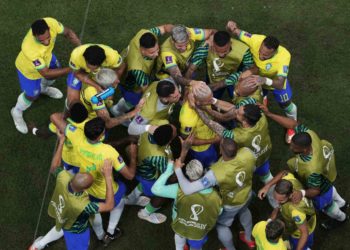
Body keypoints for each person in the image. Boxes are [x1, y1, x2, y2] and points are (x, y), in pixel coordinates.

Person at [258, 103, 348, 230]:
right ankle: (343, 203)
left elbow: (315, 191)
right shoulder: (309, 134)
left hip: (320, 187)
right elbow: (294, 125)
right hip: (325, 171)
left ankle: (341, 218)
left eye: (294, 146)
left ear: (304, 149)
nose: (290, 146)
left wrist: (301, 192)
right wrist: (269, 114)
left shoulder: (311, 169)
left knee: (327, 206)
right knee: (330, 188)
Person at [50, 115, 138, 246]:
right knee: (119, 204)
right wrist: (133, 155)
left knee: (94, 215)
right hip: (106, 191)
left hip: (85, 189)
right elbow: (130, 175)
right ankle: (111, 231)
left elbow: (54, 117)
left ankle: (102, 235)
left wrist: (63, 137)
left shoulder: (76, 136)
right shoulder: (109, 152)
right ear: (101, 136)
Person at [29, 129, 115, 250]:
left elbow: (54, 167)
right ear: (86, 188)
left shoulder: (64, 177)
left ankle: (37, 246)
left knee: (62, 224)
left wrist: (61, 141)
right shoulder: (84, 205)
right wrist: (108, 177)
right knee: (71, 233)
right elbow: (109, 205)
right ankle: (102, 236)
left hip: (62, 210)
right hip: (77, 229)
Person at [175, 138, 257, 250]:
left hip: (230, 204)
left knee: (222, 226)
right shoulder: (247, 152)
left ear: (220, 151)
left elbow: (188, 189)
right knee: (244, 211)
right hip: (247, 194)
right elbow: (253, 167)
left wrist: (178, 170)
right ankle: (248, 238)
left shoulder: (214, 174)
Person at [226, 20, 297, 143]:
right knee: (255, 102)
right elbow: (237, 31)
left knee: (286, 105)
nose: (260, 56)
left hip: (274, 83)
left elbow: (280, 83)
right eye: (260, 51)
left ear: (274, 52)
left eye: (265, 55)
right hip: (257, 79)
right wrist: (231, 27)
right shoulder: (255, 39)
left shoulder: (284, 56)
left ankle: (291, 128)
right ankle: (263, 98)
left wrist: (264, 80)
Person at [195, 102, 276, 207]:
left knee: (243, 181)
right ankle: (274, 201)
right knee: (266, 177)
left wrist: (198, 109)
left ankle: (249, 196)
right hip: (264, 154)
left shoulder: (236, 135)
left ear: (245, 121)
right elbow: (233, 108)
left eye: (238, 113)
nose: (236, 111)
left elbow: (210, 123)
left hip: (249, 162)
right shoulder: (261, 118)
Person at [11, 17, 80, 134]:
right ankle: (16, 111)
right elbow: (45, 73)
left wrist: (81, 48)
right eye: (41, 41)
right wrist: (72, 69)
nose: (47, 42)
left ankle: (43, 88)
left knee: (56, 72)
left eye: (48, 38)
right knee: (32, 96)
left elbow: (68, 32)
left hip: (46, 59)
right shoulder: (29, 48)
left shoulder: (51, 23)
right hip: (28, 70)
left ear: (49, 28)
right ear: (34, 36)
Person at [152, 135, 222, 250]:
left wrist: (170, 168)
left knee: (179, 242)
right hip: (199, 229)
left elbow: (155, 189)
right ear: (203, 173)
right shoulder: (215, 195)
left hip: (180, 224)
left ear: (187, 173)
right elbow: (219, 211)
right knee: (196, 247)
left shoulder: (178, 189)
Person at [111, 24, 174, 118]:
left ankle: (119, 107)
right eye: (152, 52)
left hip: (125, 65)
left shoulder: (144, 33)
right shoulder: (138, 70)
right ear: (142, 50)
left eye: (157, 49)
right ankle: (117, 110)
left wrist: (178, 30)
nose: (157, 54)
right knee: (134, 99)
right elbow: (147, 90)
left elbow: (165, 27)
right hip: (130, 84)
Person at [125, 120, 178, 224]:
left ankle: (131, 198)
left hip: (139, 164)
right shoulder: (159, 157)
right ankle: (145, 213)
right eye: (174, 132)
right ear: (168, 142)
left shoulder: (152, 127)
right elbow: (169, 176)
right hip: (148, 174)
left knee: (143, 183)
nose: (174, 127)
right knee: (163, 191)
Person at [186, 30, 254, 99]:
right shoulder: (205, 47)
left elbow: (251, 69)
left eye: (225, 51)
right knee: (211, 98)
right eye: (217, 51)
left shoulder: (243, 50)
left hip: (235, 78)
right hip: (214, 77)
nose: (221, 55)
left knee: (237, 97)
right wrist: (186, 88)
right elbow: (191, 69)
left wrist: (227, 82)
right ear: (212, 43)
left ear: (230, 43)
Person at [179, 82, 220, 168]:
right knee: (210, 167)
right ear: (197, 101)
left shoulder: (197, 89)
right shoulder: (188, 119)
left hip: (213, 136)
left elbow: (188, 87)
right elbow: (187, 141)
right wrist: (213, 140)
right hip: (202, 149)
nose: (212, 101)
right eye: (208, 101)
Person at [270, 177, 316, 250]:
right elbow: (285, 172)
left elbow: (304, 233)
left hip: (298, 234)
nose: (277, 202)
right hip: (306, 219)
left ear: (290, 195)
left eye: (280, 200)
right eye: (275, 197)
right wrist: (266, 186)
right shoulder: (290, 181)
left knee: (301, 246)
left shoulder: (295, 212)